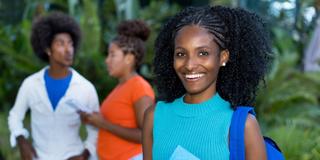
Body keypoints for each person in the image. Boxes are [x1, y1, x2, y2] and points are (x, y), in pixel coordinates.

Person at [143, 6, 273, 160]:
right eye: (181, 54)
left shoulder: (243, 125)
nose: (190, 65)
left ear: (223, 57)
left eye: (203, 53)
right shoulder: (154, 116)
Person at [8, 12, 99, 160]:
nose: (68, 49)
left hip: (73, 155)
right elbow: (14, 116)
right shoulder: (31, 84)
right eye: (60, 43)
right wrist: (21, 140)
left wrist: (84, 155)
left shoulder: (85, 88)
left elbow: (96, 130)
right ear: (48, 49)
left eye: (70, 43)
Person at [81, 20, 155, 160]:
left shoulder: (139, 87)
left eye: (112, 55)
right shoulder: (119, 88)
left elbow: (146, 135)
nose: (107, 60)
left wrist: (103, 123)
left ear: (129, 58)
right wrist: (92, 120)